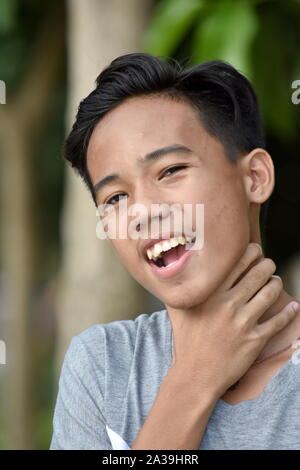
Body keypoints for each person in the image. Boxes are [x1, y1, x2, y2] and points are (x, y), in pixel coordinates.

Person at [49, 53, 300, 450]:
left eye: (170, 171)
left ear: (254, 177)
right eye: (115, 197)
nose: (143, 212)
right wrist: (194, 380)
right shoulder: (103, 366)